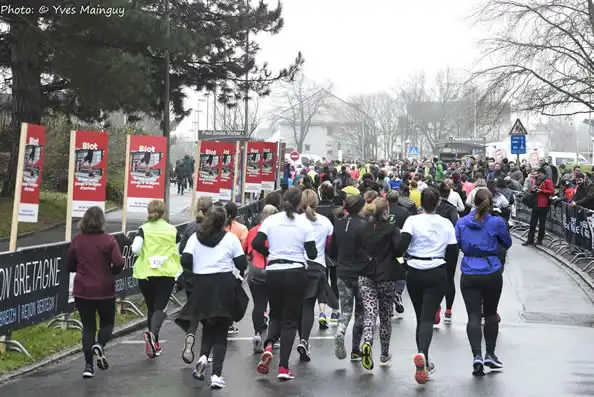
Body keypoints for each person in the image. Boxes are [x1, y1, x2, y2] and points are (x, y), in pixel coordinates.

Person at [177, 206, 248, 389]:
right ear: (225, 221)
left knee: (207, 325)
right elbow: (241, 263)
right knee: (221, 333)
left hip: (202, 285)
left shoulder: (195, 237)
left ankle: (202, 357)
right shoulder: (230, 238)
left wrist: (198, 265)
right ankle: (216, 375)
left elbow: (184, 259)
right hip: (223, 284)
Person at [394, 187, 458, 384]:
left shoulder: (412, 221)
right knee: (428, 319)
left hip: (414, 270)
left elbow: (399, 247)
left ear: (421, 202)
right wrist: (447, 277)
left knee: (420, 316)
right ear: (438, 203)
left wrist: (404, 264)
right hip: (436, 269)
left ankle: (423, 357)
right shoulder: (446, 223)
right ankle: (423, 356)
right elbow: (453, 252)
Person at [252, 187, 317, 380]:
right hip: (296, 272)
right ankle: (283, 367)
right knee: (290, 320)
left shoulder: (271, 221)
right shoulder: (304, 224)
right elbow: (312, 253)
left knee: (275, 315)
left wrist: (271, 254)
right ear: (300, 204)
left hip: (273, 272)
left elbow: (256, 243)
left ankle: (270, 345)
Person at [455, 189, 512, 376]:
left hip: (470, 270)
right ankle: (490, 353)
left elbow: (458, 244)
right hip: (491, 270)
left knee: (473, 316)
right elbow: (507, 243)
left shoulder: (462, 223)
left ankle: (476, 356)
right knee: (489, 314)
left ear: (473, 201)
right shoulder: (497, 222)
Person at [66, 207, 124, 378]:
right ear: (102, 222)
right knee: (107, 323)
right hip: (105, 289)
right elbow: (119, 262)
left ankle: (88, 366)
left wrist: (82, 269)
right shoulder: (109, 240)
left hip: (83, 289)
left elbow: (69, 266)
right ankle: (100, 344)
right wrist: (110, 272)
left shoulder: (77, 241)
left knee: (88, 327)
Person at [358, 198, 405, 370]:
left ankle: (367, 342)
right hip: (386, 274)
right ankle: (384, 354)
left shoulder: (363, 228)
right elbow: (399, 249)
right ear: (386, 211)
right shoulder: (392, 228)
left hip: (366, 273)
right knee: (385, 316)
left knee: (370, 313)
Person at [132, 200, 182, 359]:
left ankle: (154, 343)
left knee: (151, 308)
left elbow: (135, 249)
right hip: (165, 272)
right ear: (164, 213)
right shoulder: (172, 230)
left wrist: (145, 256)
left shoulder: (143, 229)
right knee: (160, 308)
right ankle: (153, 336)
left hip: (145, 273)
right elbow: (179, 251)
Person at [328, 195, 368, 362]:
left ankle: (340, 331)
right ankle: (355, 350)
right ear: (360, 208)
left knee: (345, 311)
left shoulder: (339, 224)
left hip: (342, 272)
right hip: (361, 273)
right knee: (360, 313)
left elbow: (332, 250)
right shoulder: (364, 226)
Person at [296, 190, 334, 362]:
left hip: (296, 265)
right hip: (317, 265)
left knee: (296, 306)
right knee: (308, 306)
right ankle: (304, 339)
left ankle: (298, 337)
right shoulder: (326, 222)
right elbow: (328, 245)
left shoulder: (295, 221)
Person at [179, 196, 213, 364]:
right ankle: (205, 353)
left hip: (190, 275)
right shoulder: (214, 228)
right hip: (208, 275)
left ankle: (190, 334)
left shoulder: (190, 227)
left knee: (194, 308)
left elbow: (181, 250)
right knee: (208, 313)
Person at [245, 205, 279, 353]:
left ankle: (257, 334)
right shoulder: (277, 231)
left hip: (255, 269)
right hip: (273, 269)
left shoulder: (253, 231)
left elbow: (246, 250)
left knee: (258, 304)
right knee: (276, 306)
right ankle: (272, 339)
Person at [316, 182, 340, 327]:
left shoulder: (315, 211)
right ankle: (335, 311)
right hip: (334, 251)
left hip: (319, 251)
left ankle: (322, 312)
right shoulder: (337, 211)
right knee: (335, 281)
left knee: (322, 282)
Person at [224, 201, 249, 334]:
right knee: (234, 294)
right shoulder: (242, 228)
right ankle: (229, 322)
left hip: (222, 264)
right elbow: (244, 247)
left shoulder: (219, 228)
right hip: (237, 265)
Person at [522, 167, 554, 246]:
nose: (539, 176)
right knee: (532, 223)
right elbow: (531, 190)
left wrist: (542, 191)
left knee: (541, 224)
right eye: (538, 174)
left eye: (540, 175)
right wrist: (533, 189)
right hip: (535, 204)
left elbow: (552, 191)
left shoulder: (548, 181)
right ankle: (530, 240)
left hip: (543, 204)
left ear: (544, 174)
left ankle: (539, 240)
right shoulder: (535, 180)